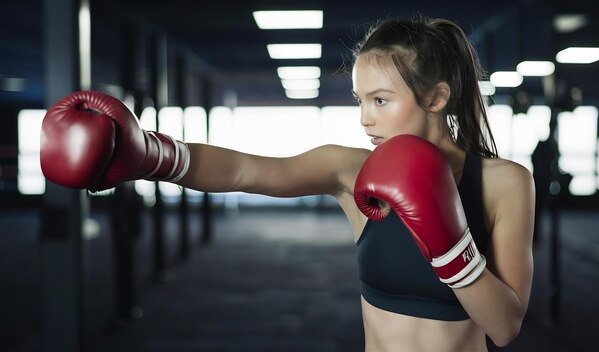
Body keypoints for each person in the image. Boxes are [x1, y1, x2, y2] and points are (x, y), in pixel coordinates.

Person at [40, 15, 535, 351]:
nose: (364, 117)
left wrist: (453, 251)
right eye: (359, 100)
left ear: (437, 97)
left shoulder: (505, 183)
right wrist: (152, 155)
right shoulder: (351, 169)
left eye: (381, 100)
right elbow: (247, 171)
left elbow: (505, 327)